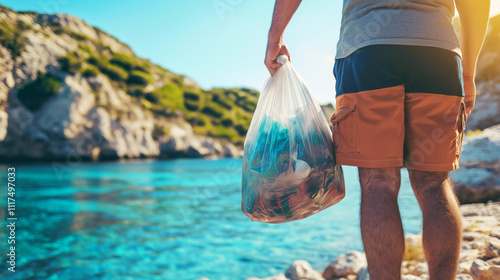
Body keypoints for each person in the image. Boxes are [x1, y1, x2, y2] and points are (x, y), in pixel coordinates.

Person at [264, 0, 491, 279]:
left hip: (368, 51)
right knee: (434, 182)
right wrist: (468, 70)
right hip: (438, 52)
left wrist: (276, 37)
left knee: (378, 182)